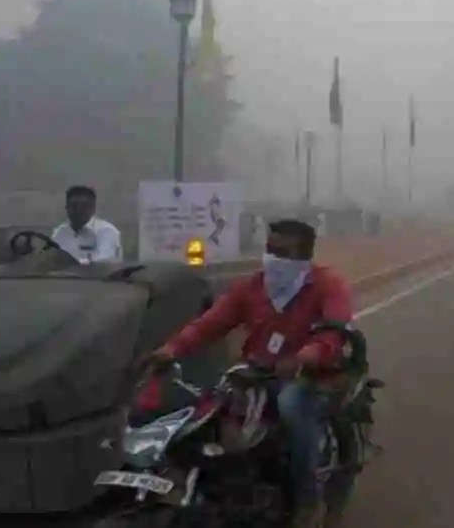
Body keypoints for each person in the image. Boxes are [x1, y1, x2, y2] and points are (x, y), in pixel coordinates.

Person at [142, 219, 352, 528]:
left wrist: (303, 357)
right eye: (269, 249)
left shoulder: (328, 285)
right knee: (211, 411)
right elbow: (210, 324)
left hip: (309, 374)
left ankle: (309, 498)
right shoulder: (252, 287)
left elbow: (334, 335)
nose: (272, 259)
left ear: (304, 256)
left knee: (292, 405)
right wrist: (172, 348)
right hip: (257, 370)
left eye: (282, 252)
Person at [51, 185, 123, 264]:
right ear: (67, 208)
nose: (78, 211)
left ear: (93, 208)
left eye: (84, 207)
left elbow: (102, 263)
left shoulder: (107, 231)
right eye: (74, 206)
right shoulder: (60, 232)